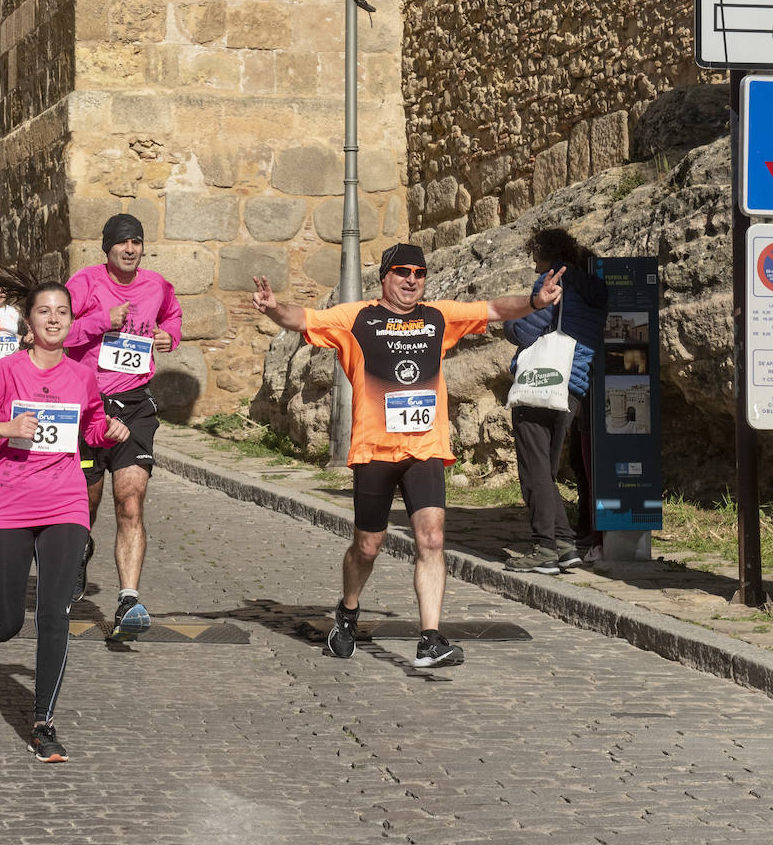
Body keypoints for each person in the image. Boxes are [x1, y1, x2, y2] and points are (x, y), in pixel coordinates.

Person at [252, 242, 563, 667]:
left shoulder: (437, 318)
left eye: (418, 272)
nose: (411, 279)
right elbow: (303, 319)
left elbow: (492, 310)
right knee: (367, 545)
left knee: (432, 540)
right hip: (375, 450)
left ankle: (430, 638)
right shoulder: (357, 318)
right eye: (402, 272)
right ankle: (347, 612)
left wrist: (533, 301)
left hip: (425, 448)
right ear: (385, 277)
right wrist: (273, 308)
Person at [0, 262, 129, 763]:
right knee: (9, 621)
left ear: (72, 321)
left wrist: (109, 431)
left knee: (56, 612)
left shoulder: (82, 376)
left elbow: (91, 428)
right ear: (28, 322)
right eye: (44, 312)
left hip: (65, 501)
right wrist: (6, 430)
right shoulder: (5, 372)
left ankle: (44, 722)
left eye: (62, 312)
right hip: (7, 502)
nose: (54, 320)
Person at [64, 213, 182, 640]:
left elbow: (172, 316)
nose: (130, 249)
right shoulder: (84, 283)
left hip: (134, 406)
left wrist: (171, 335)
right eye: (122, 243)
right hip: (88, 407)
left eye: (137, 241)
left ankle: (129, 600)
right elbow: (58, 330)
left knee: (130, 499)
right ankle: (78, 553)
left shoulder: (156, 285)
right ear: (107, 248)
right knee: (86, 503)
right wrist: (102, 322)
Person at [503, 228, 608, 575]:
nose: (534, 265)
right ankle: (563, 542)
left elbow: (525, 330)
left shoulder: (553, 280)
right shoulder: (591, 287)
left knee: (533, 468)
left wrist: (510, 320)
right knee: (545, 469)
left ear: (548, 253)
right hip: (572, 386)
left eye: (535, 256)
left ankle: (543, 548)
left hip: (541, 383)